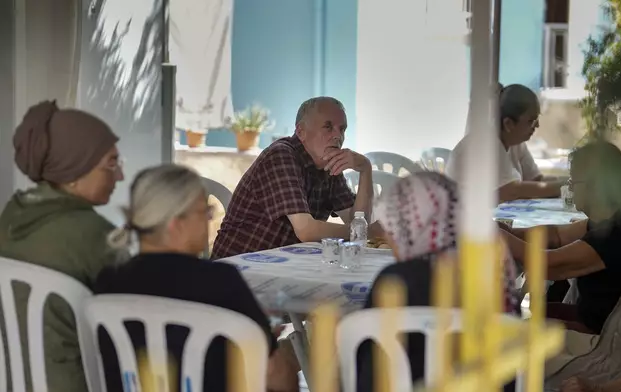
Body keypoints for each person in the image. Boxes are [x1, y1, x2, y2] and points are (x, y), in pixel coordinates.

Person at [96, 164, 300, 392]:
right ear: (177, 225)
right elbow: (275, 375)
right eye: (205, 212)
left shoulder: (108, 281)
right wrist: (260, 334)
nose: (209, 220)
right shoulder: (221, 281)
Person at [354, 171, 519, 392]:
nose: (390, 238)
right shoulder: (495, 270)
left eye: (391, 228)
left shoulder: (399, 279)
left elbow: (370, 371)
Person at [0, 100, 124, 392]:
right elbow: (131, 320)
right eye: (110, 164)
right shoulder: (95, 235)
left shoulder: (10, 216)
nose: (119, 175)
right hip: (76, 383)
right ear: (74, 172)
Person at [500, 141, 621, 334]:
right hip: (599, 319)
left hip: (605, 336)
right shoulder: (618, 215)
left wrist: (498, 236)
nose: (571, 189)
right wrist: (509, 232)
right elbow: (557, 235)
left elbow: (547, 265)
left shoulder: (620, 232)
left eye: (573, 183)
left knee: (512, 331)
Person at [211, 96, 382, 259]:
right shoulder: (281, 155)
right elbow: (306, 230)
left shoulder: (328, 162)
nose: (338, 136)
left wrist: (365, 169)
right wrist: (372, 231)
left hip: (283, 264)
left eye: (342, 129)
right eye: (328, 127)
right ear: (301, 132)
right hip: (237, 268)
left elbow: (357, 221)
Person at [446, 83, 564, 203]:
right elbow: (513, 191)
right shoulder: (486, 143)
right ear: (508, 124)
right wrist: (567, 187)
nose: (537, 126)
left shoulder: (515, 141)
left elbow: (536, 180)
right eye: (531, 121)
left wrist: (570, 181)